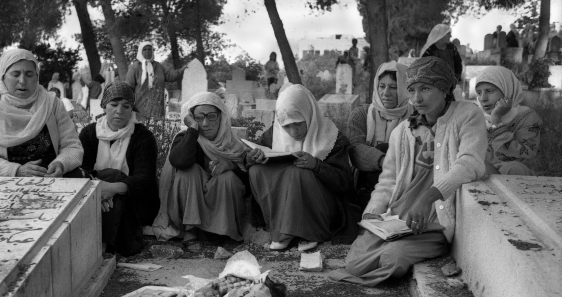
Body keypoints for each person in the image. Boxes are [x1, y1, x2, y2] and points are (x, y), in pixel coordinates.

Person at [330, 57, 487, 287]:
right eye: (411, 90)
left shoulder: (467, 115)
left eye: (425, 88)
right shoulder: (404, 131)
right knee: (354, 262)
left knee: (392, 259)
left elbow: (469, 163)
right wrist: (374, 212)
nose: (417, 98)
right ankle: (389, 247)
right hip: (398, 219)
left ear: (444, 88)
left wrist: (429, 197)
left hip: (433, 223)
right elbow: (389, 179)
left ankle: (403, 251)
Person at [246, 84, 358, 251]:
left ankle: (309, 232)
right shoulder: (274, 134)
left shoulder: (332, 137)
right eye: (286, 126)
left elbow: (345, 184)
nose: (293, 131)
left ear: (308, 113)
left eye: (298, 123)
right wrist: (251, 158)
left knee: (297, 172)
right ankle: (282, 229)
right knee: (256, 170)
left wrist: (316, 165)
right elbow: (255, 155)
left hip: (322, 208)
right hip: (286, 202)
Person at [0, 49, 83, 178]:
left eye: (29, 74)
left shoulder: (52, 104)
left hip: (50, 177)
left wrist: (61, 164)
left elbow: (72, 146)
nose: (22, 81)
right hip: (1, 179)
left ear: (37, 77)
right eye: (15, 74)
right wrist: (15, 170)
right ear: (3, 76)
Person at [154, 92, 250, 243]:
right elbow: (179, 161)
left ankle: (221, 232)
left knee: (227, 177)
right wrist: (193, 130)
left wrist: (230, 165)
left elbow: (248, 186)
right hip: (191, 217)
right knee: (188, 172)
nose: (205, 123)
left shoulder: (233, 145)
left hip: (222, 216)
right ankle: (191, 231)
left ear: (221, 117)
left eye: (211, 116)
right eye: (199, 117)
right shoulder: (186, 137)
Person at [79, 82, 159, 256]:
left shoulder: (143, 137)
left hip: (132, 197)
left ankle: (104, 248)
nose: (119, 111)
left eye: (126, 106)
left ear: (132, 109)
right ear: (104, 106)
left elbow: (145, 178)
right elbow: (81, 169)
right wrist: (99, 190)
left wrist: (113, 188)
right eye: (114, 105)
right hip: (94, 192)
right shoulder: (89, 134)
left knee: (117, 185)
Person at [347, 61, 413, 208]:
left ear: (404, 89)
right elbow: (355, 148)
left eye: (393, 87)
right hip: (368, 180)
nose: (386, 93)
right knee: (384, 148)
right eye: (382, 86)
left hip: (405, 178)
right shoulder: (361, 114)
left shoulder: (416, 117)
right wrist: (385, 161)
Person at [475, 66, 541, 176]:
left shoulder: (527, 118)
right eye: (479, 92)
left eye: (489, 91)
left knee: (515, 169)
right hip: (480, 170)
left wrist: (496, 122)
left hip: (510, 174)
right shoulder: (475, 116)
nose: (483, 98)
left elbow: (519, 157)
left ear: (507, 90)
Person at [125, 41, 186, 120]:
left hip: (157, 106)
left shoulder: (158, 66)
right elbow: (128, 87)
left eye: (149, 49)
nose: (147, 51)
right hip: (140, 107)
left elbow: (170, 76)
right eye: (145, 49)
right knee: (142, 129)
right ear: (140, 51)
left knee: (157, 128)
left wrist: (182, 70)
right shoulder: (135, 67)